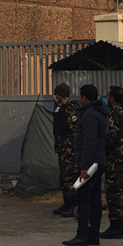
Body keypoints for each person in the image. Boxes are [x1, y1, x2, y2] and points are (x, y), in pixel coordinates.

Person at [62, 84, 108, 246]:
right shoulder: (100, 114)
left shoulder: (89, 115)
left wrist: (84, 167)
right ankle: (93, 235)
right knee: (95, 199)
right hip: (99, 161)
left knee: (83, 198)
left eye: (81, 96)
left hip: (91, 163)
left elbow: (89, 142)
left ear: (85, 98)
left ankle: (82, 235)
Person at [100, 85, 123, 239]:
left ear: (112, 98)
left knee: (114, 193)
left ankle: (115, 227)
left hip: (115, 159)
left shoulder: (113, 113)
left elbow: (110, 136)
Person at [51, 82, 80, 217]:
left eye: (56, 93)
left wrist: (70, 147)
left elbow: (74, 129)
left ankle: (73, 204)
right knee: (63, 177)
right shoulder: (59, 107)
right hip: (61, 148)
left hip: (68, 149)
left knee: (70, 177)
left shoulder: (71, 108)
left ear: (59, 94)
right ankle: (67, 202)